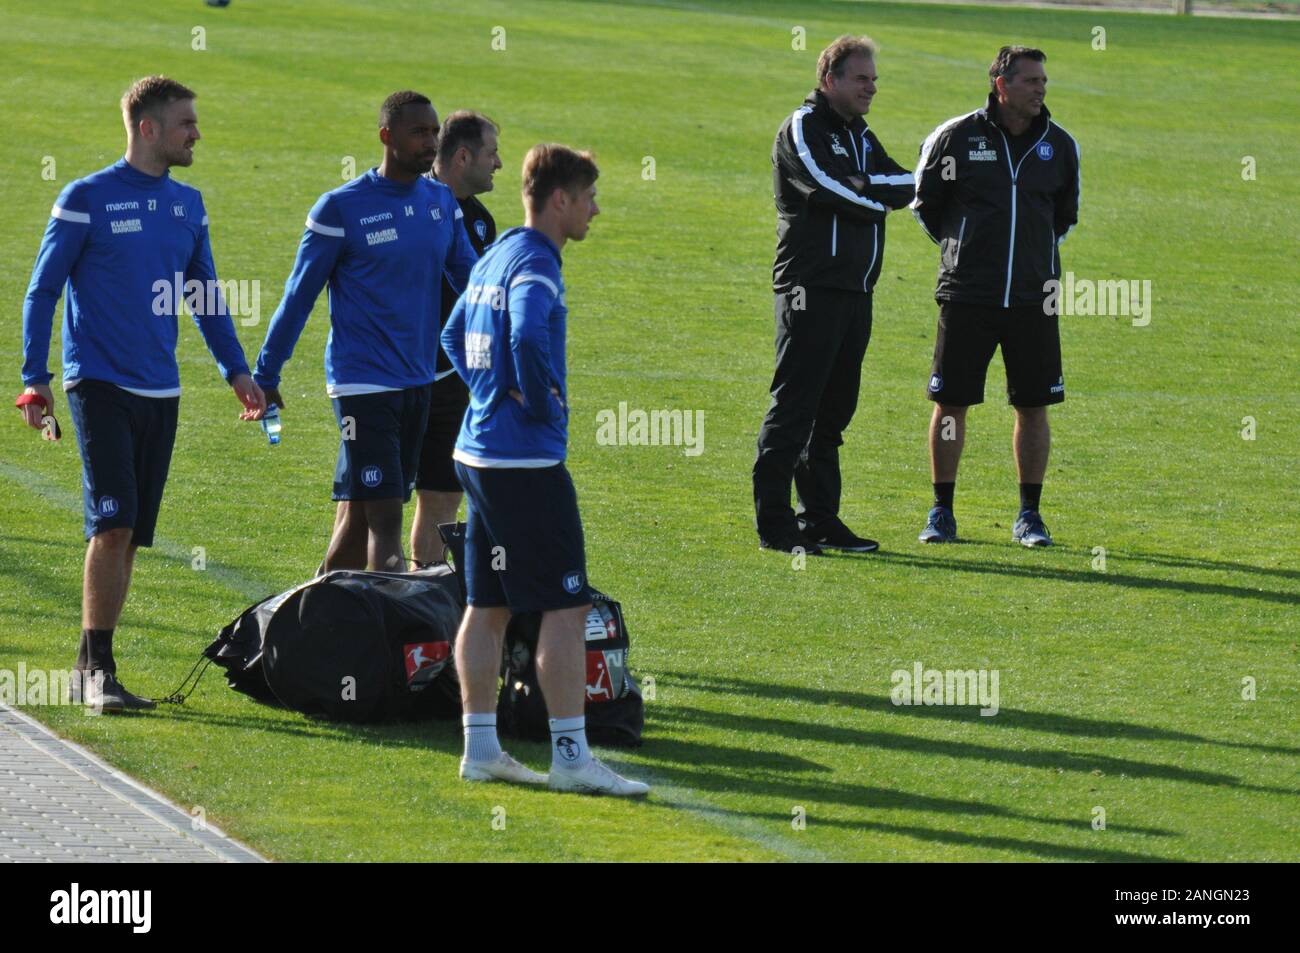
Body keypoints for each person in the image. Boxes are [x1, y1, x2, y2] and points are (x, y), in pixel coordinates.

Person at [18, 75, 265, 711]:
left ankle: (88, 668)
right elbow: (43, 290)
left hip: (163, 388)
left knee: (129, 533)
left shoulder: (189, 206)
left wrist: (237, 372)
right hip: (97, 381)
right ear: (148, 127)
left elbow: (204, 295)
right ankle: (99, 672)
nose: (197, 134)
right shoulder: (86, 199)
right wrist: (33, 377)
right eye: (187, 123)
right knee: (113, 520)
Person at [441, 143, 649, 796]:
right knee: (565, 603)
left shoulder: (496, 253)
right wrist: (531, 394)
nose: (595, 208)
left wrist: (485, 391)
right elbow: (528, 336)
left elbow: (451, 335)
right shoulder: (535, 264)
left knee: (488, 600)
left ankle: (481, 746)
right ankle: (569, 754)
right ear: (559, 199)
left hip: (475, 452)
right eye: (588, 196)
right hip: (524, 461)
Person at [253, 91, 478, 573]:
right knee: (385, 519)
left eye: (435, 132)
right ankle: (388, 639)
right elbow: (299, 295)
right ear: (386, 137)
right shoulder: (341, 209)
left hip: (419, 382)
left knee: (358, 517)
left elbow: (471, 281)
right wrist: (267, 373)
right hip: (362, 385)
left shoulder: (440, 202)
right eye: (419, 132)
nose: (431, 142)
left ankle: (316, 624)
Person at [753, 35, 915, 555]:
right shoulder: (802, 128)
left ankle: (820, 518)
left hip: (854, 292)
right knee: (795, 407)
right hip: (810, 290)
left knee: (833, 412)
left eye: (874, 78)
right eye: (862, 78)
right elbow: (824, 185)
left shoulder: (859, 136)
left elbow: (904, 183)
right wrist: (872, 197)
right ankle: (775, 525)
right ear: (830, 79)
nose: (872, 87)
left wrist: (869, 184)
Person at [911, 46, 1080, 546]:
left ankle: (1030, 515)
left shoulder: (1060, 145)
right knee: (950, 403)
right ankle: (941, 511)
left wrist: (1032, 260)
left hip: (1034, 298)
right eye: (1030, 80)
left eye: (1043, 80)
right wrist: (964, 253)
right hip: (967, 295)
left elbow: (1064, 217)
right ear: (1001, 85)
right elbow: (926, 207)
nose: (1041, 88)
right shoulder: (957, 138)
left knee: (1033, 405)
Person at [410, 110, 502, 568]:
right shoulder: (410, 205)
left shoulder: (482, 222)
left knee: (441, 497)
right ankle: (345, 604)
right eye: (492, 153)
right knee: (369, 507)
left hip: (450, 379)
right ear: (463, 156)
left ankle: (417, 603)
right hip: (392, 374)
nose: (499, 164)